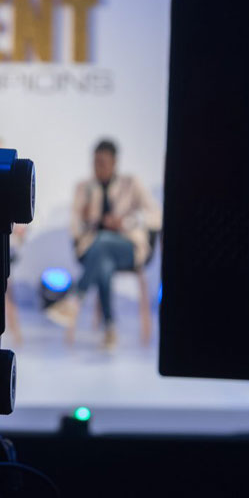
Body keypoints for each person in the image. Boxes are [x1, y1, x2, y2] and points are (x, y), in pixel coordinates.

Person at [50, 138, 162, 348]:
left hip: (128, 248)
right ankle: (110, 328)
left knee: (102, 243)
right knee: (104, 261)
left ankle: (75, 299)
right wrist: (87, 222)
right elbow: (74, 225)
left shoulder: (131, 183)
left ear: (114, 162)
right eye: (95, 162)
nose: (98, 167)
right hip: (93, 248)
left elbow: (156, 214)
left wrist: (126, 222)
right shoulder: (84, 188)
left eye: (102, 162)